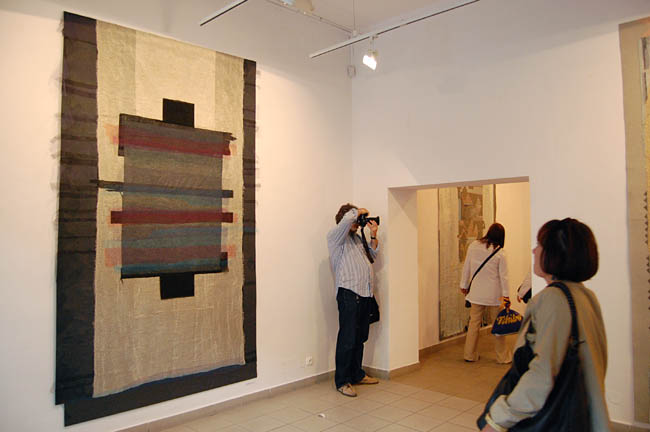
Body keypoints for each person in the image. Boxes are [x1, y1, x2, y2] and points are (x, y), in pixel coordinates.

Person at [482, 218, 610, 431]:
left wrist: (498, 420)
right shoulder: (586, 296)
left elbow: (542, 374)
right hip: (587, 417)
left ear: (554, 254)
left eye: (540, 245)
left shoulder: (552, 299)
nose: (534, 251)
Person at [327, 203, 380, 397]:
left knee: (360, 338)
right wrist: (360, 212)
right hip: (349, 294)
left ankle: (357, 374)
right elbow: (349, 217)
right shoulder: (335, 237)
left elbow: (373, 255)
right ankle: (342, 381)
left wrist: (373, 235)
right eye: (356, 220)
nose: (358, 223)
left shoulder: (357, 239)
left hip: (365, 294)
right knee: (347, 339)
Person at [460, 222, 512, 363]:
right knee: (498, 326)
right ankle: (502, 357)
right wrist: (506, 296)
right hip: (494, 295)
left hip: (476, 293)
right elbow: (504, 277)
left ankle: (469, 355)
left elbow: (467, 267)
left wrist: (463, 285)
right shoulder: (500, 253)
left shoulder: (473, 246)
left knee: (474, 324)